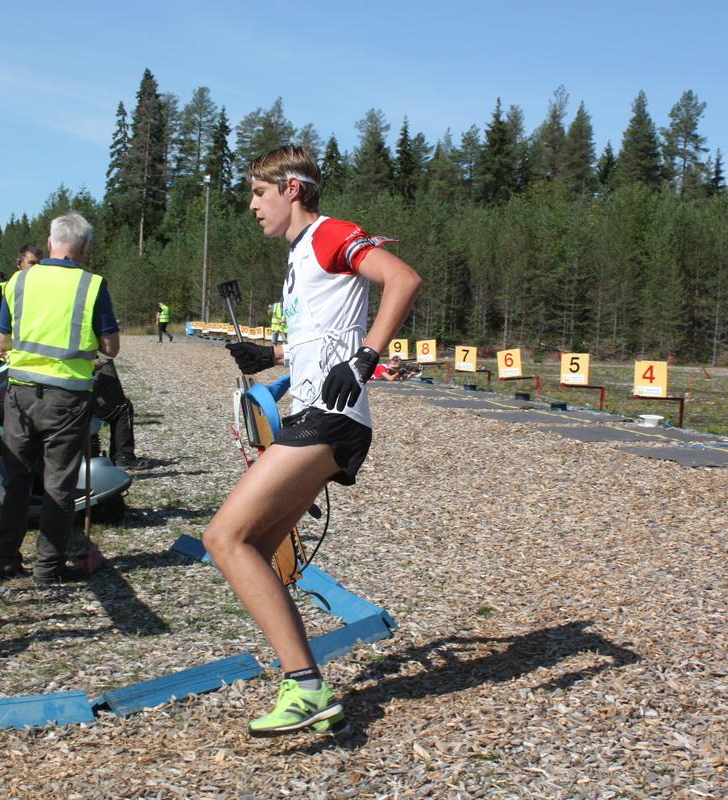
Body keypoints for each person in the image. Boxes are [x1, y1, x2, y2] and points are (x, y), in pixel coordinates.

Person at [211, 145, 421, 737]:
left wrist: (366, 358)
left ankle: (304, 686)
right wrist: (272, 354)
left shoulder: (329, 232)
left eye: (259, 192)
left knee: (223, 538)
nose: (252, 205)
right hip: (316, 412)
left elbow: (403, 279)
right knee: (256, 549)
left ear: (292, 189)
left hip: (330, 416)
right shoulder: (302, 250)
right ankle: (304, 682)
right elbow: (324, 332)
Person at [0, 214, 120, 585]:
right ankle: (48, 567)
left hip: (20, 393)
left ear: (50, 243)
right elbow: (111, 346)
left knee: (15, 480)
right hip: (67, 395)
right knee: (58, 483)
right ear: (84, 247)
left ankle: (6, 561)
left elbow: (3, 341)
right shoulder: (92, 285)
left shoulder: (18, 281)